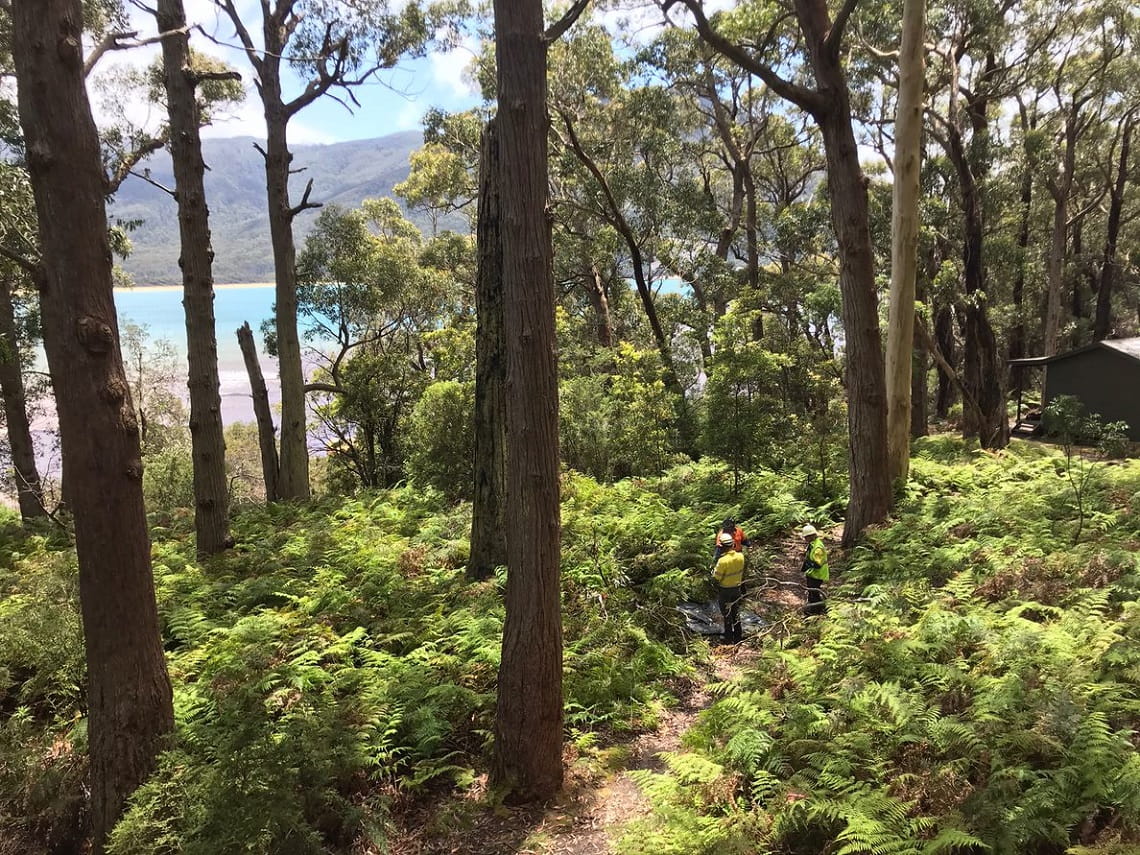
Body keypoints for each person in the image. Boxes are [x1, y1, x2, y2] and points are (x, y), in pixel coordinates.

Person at [712, 532, 746, 643]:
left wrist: (713, 572)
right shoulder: (740, 556)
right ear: (732, 544)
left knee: (727, 614)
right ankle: (738, 636)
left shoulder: (722, 561)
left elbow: (716, 577)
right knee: (736, 612)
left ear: (721, 546)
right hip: (737, 588)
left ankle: (728, 638)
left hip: (725, 590)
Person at [799, 524, 828, 616]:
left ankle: (816, 611)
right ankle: (814, 608)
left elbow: (817, 564)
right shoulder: (812, 544)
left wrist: (808, 564)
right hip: (813, 574)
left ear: (810, 536)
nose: (804, 539)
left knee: (814, 593)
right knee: (812, 592)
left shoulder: (818, 547)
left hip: (817, 574)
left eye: (806, 537)